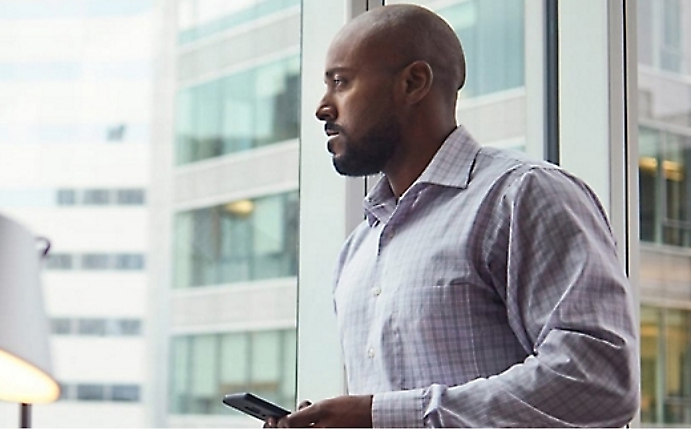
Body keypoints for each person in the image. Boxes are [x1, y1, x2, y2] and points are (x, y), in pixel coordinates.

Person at [267, 4, 639, 428]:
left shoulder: (524, 195)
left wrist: (382, 416)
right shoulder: (358, 248)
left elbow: (598, 380)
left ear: (413, 83)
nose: (322, 107)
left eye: (341, 82)